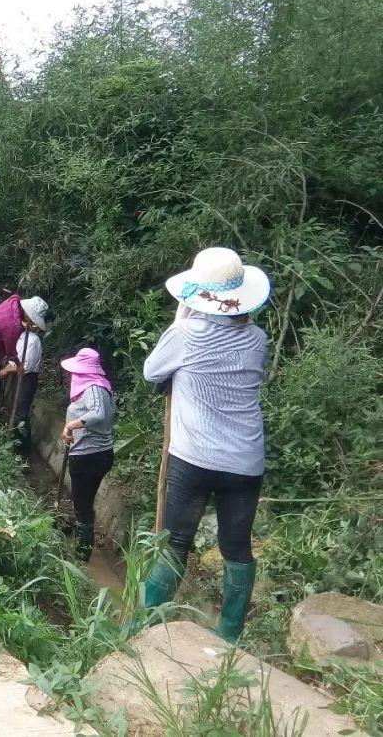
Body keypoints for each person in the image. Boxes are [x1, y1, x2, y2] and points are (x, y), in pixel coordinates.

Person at [141, 247, 271, 643]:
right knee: (236, 548)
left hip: (193, 457)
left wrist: (183, 319)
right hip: (245, 462)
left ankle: (145, 627)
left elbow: (152, 372)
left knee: (175, 542)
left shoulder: (184, 334)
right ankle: (229, 639)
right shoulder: (257, 339)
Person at [59, 348, 115, 563]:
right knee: (83, 501)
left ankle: (82, 555)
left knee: (82, 504)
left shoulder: (94, 388)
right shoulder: (100, 387)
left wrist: (71, 426)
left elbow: (99, 414)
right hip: (92, 452)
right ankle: (83, 541)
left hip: (90, 455)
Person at [0, 321, 43, 451]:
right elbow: (14, 358)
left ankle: (23, 447)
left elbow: (26, 365)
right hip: (17, 375)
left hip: (27, 377)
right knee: (15, 408)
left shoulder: (32, 340)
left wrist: (5, 370)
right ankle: (15, 441)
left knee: (21, 411)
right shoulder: (20, 338)